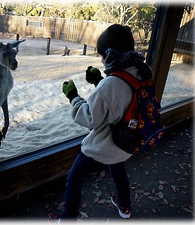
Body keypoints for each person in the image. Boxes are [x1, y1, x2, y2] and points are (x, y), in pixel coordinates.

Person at [49, 24, 153, 223]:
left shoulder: (111, 84)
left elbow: (90, 117)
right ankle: (124, 205)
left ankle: (67, 218)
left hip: (107, 143)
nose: (101, 59)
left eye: (102, 54)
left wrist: (73, 96)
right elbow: (120, 102)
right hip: (129, 140)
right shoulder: (142, 71)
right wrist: (99, 81)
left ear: (110, 54)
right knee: (117, 166)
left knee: (75, 175)